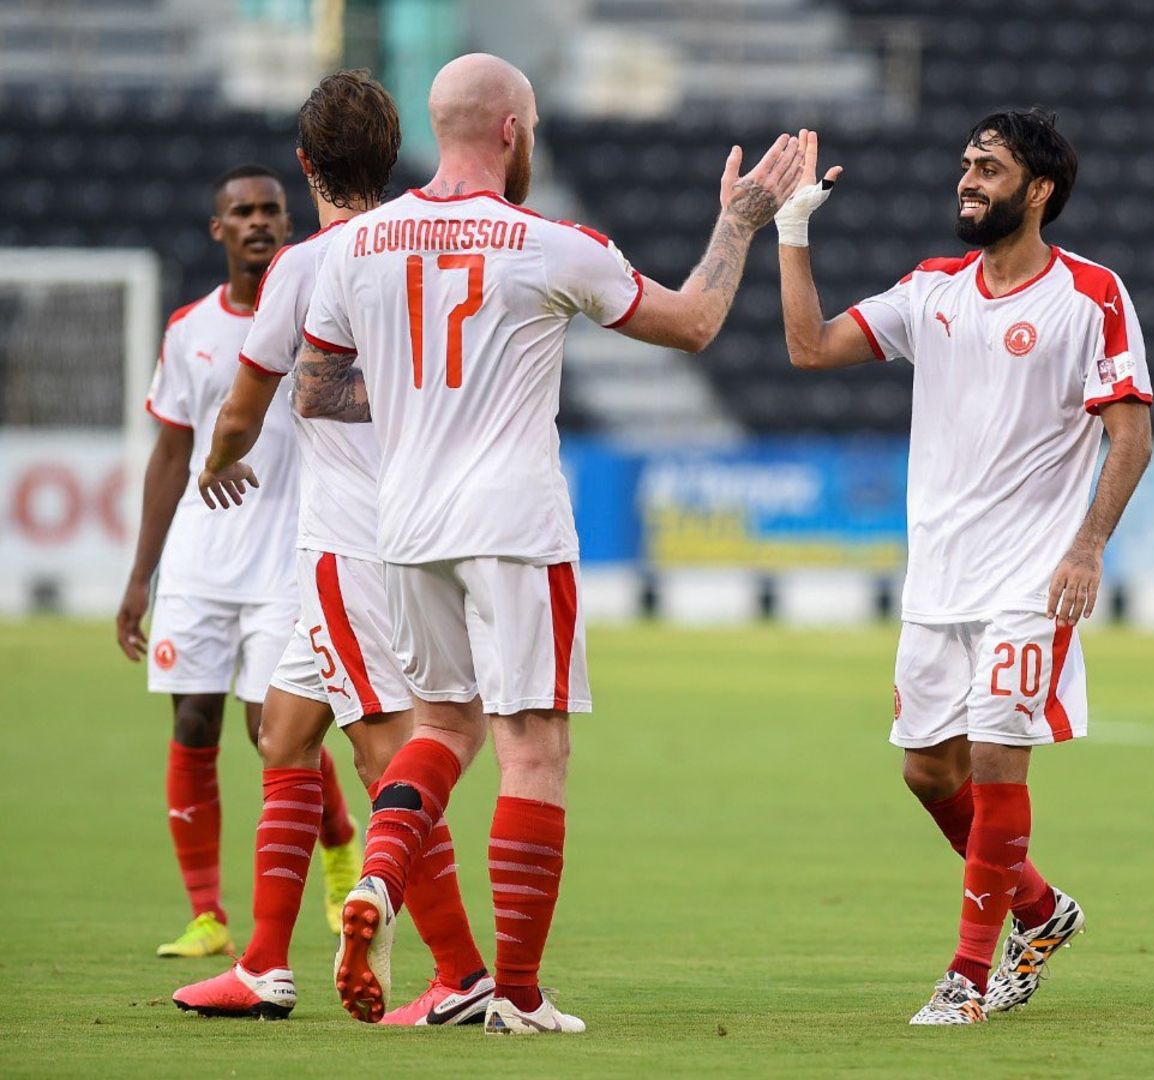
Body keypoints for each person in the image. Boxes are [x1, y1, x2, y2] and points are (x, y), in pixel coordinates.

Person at [296, 53, 805, 1033]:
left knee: (441, 729)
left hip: (402, 525)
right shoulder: (549, 243)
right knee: (534, 753)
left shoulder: (356, 247)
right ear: (514, 133)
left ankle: (377, 884)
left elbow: (317, 387)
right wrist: (739, 220)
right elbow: (694, 321)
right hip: (514, 524)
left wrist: (419, 396)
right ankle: (519, 997)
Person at [773, 113, 1154, 1024]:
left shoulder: (1092, 294)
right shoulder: (931, 289)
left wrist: (1088, 545)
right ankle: (1040, 910)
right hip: (939, 579)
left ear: (1041, 191)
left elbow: (1130, 434)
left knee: (994, 757)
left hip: (1033, 578)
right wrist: (791, 230)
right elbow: (809, 347)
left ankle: (968, 978)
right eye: (965, 165)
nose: (968, 179)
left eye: (989, 167)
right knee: (929, 773)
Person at [172, 70, 492, 1025]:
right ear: (393, 159)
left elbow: (246, 400)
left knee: (388, 755)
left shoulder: (308, 267)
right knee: (284, 733)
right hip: (421, 528)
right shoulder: (427, 247)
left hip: (353, 546)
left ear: (306, 163)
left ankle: (464, 973)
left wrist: (216, 460)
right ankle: (265, 962)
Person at [116, 164, 360, 959]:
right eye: (242, 212)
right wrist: (138, 578)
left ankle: (337, 854)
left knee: (274, 731)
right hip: (199, 561)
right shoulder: (189, 329)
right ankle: (207, 915)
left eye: (271, 210)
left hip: (287, 557)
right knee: (191, 720)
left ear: (289, 223)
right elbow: (169, 457)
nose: (259, 222)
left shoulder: (318, 311)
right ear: (217, 229)